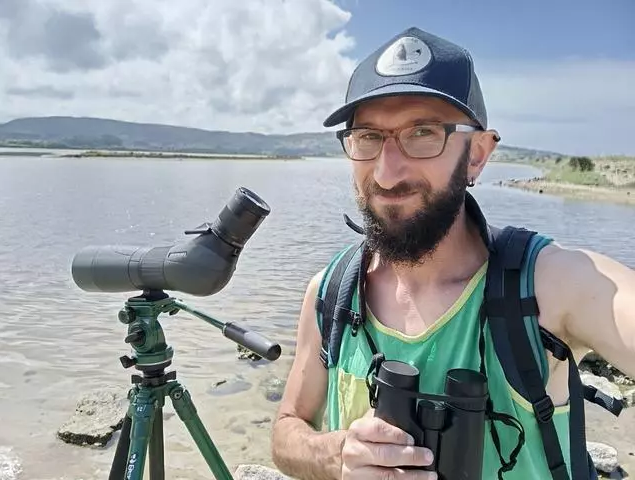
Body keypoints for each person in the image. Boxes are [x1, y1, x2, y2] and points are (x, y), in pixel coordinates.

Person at [270, 26, 635, 480]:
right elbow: (287, 430)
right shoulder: (331, 293)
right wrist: (336, 453)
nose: (386, 173)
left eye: (423, 133)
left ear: (477, 154)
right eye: (367, 137)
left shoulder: (546, 286)